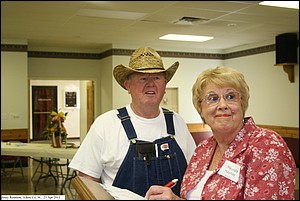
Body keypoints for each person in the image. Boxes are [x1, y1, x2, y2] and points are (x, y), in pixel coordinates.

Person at [146, 66, 296, 200]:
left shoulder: (266, 145)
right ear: (201, 109)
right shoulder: (202, 150)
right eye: (213, 98)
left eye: (230, 96)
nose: (222, 105)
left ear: (242, 103)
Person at [69, 47, 196, 197]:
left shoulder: (177, 122)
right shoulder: (105, 125)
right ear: (127, 85)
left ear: (165, 84)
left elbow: (194, 175)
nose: (150, 84)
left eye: (156, 78)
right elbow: (86, 183)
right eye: (143, 78)